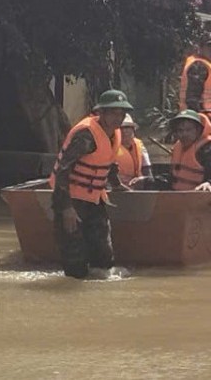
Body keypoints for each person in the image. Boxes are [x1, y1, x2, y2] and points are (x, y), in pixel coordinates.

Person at [48, 89, 133, 279]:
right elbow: (63, 170)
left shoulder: (114, 134)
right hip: (70, 199)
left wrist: (116, 183)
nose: (117, 118)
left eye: (121, 113)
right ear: (100, 113)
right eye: (112, 113)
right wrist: (66, 208)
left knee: (103, 256)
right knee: (75, 259)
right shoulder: (86, 135)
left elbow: (108, 161)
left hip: (94, 199)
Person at [167, 110, 211, 192]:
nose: (184, 134)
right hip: (178, 196)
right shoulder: (178, 148)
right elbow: (173, 177)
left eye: (188, 130)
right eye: (180, 130)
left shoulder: (209, 151)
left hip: (200, 198)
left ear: (198, 130)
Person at [181, 32, 211, 125]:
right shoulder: (198, 66)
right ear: (201, 48)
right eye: (209, 47)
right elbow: (192, 98)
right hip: (202, 117)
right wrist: (196, 120)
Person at [115, 113, 151, 187]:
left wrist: (142, 179)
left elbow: (148, 174)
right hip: (117, 189)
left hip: (137, 189)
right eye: (121, 128)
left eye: (127, 127)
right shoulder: (111, 146)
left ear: (133, 130)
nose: (124, 131)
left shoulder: (140, 146)